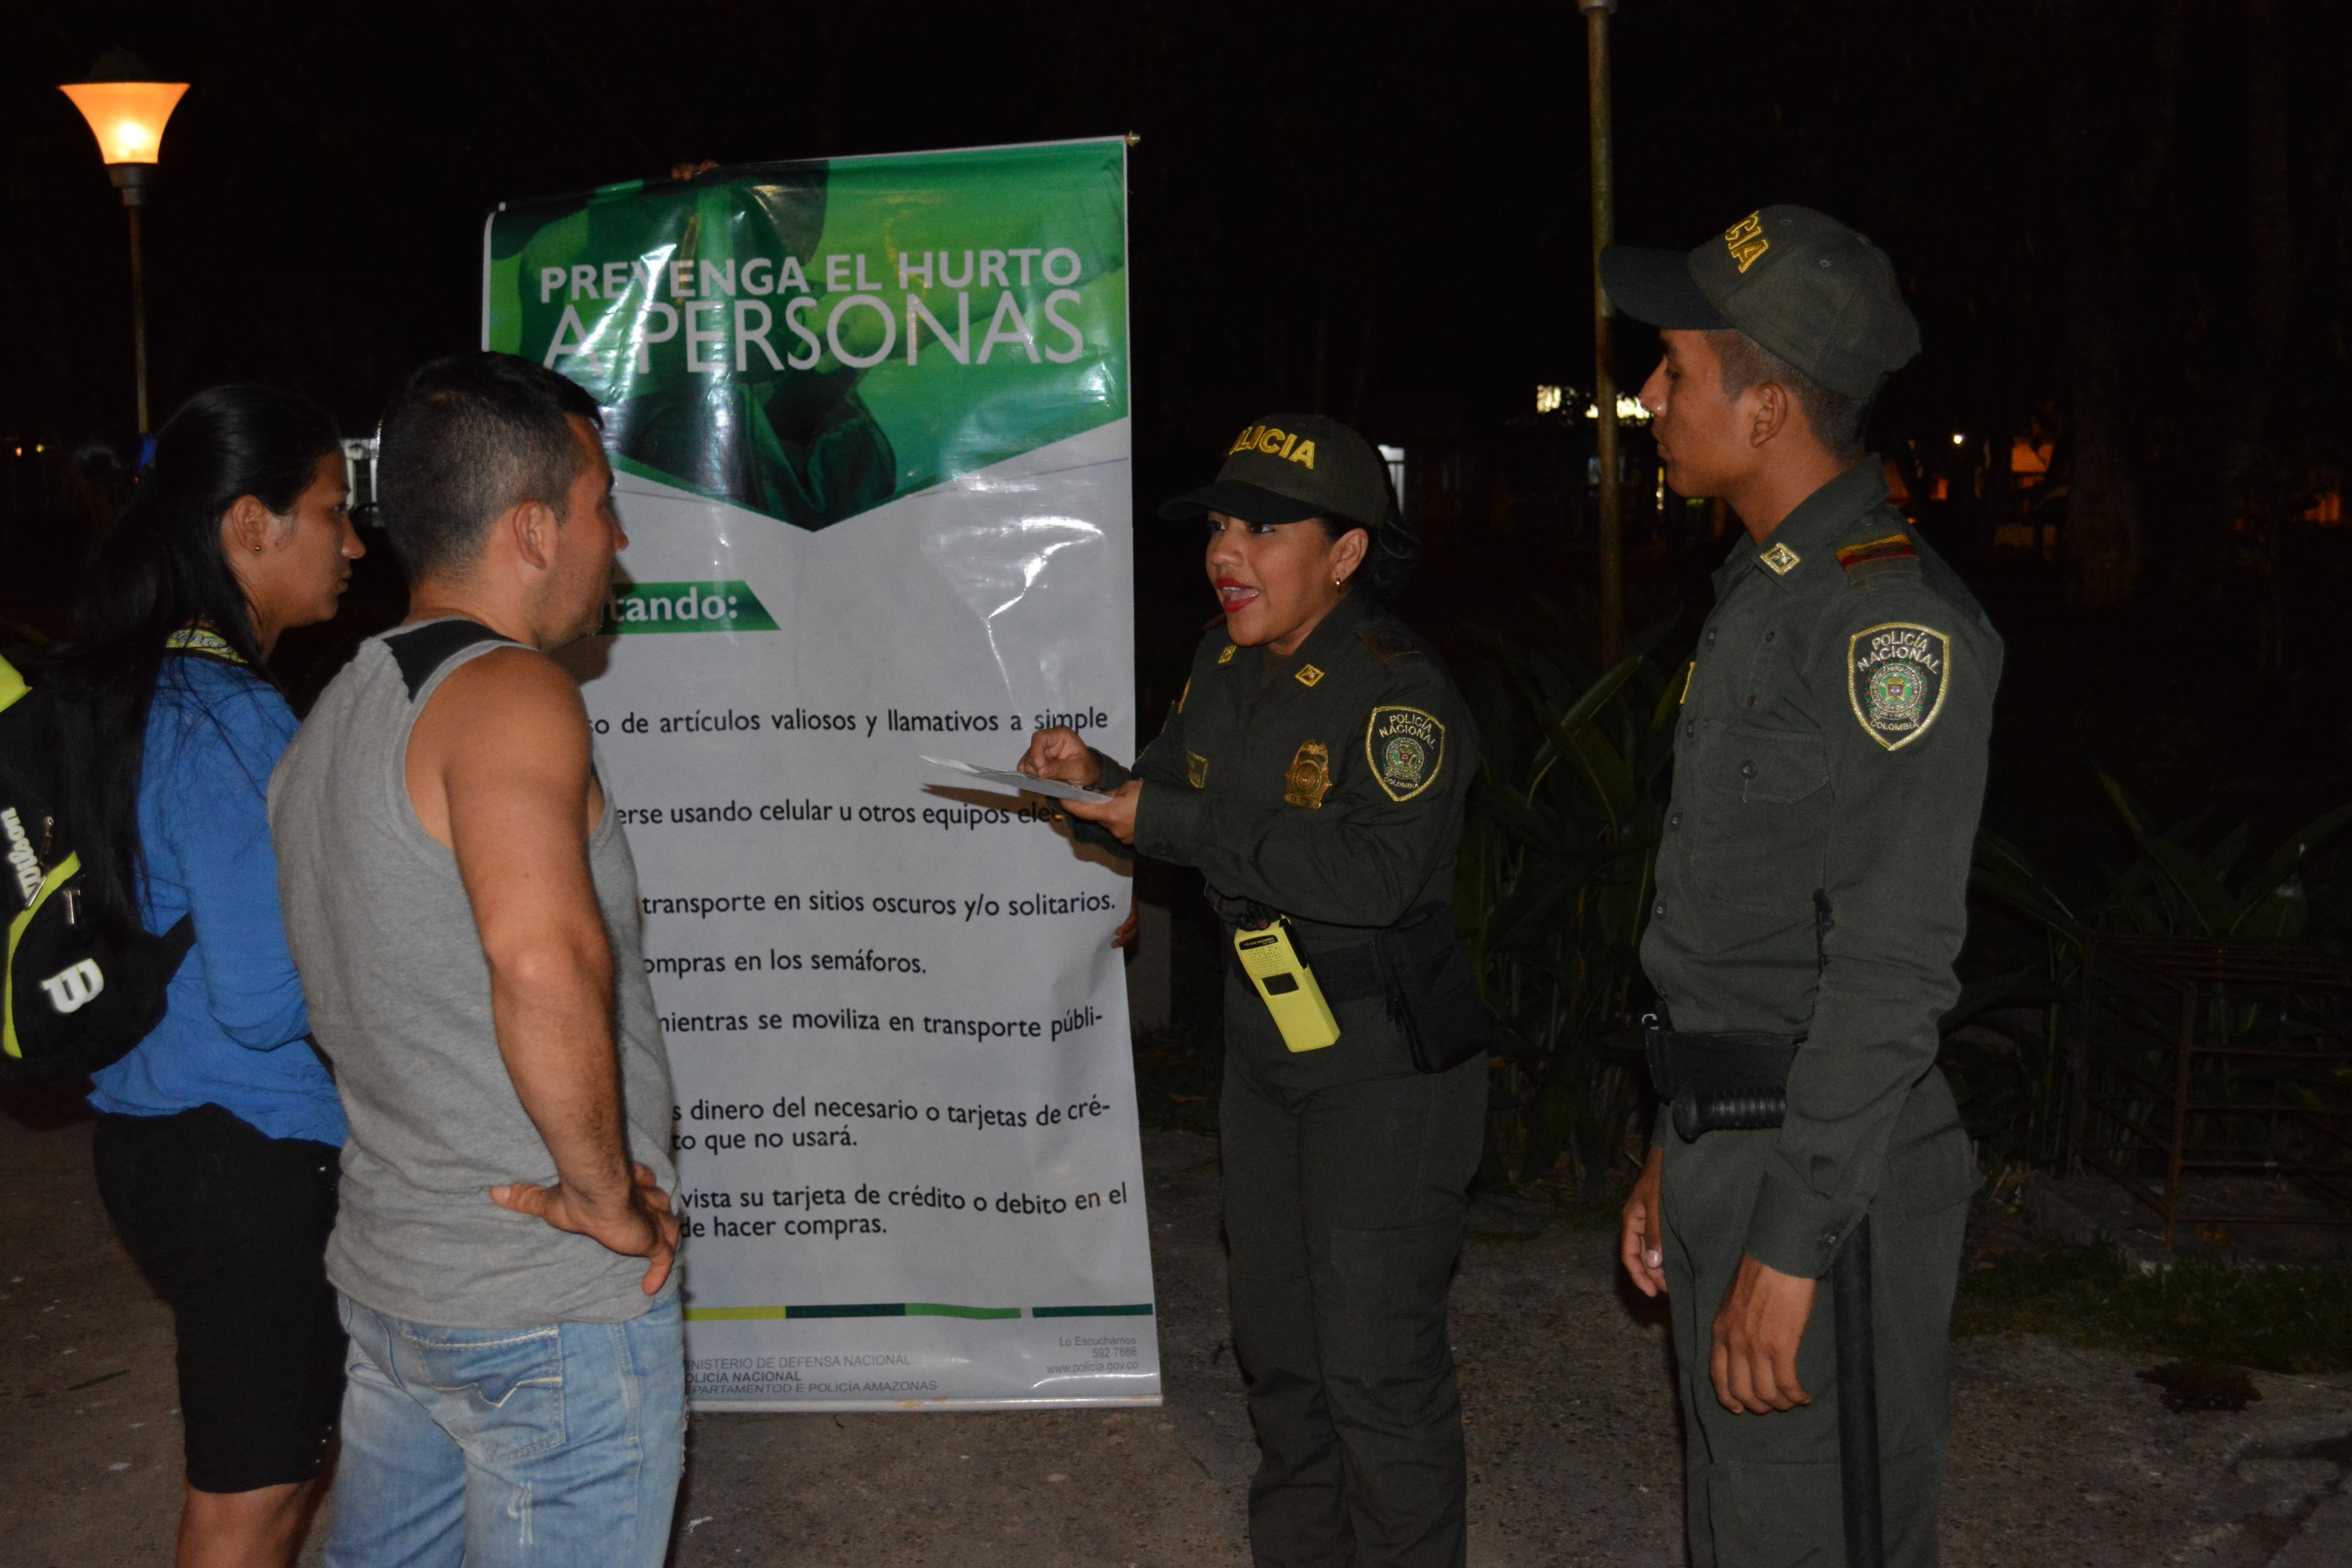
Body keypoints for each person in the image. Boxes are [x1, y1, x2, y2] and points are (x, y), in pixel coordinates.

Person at [1603, 206, 2002, 1566]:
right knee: (1745, 1517)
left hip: (1831, 1168)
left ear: (1768, 407)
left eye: (1674, 368)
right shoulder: (1768, 595)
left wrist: (1791, 1241)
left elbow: (1889, 971)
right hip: (1741, 1134)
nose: (1648, 395)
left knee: (1812, 1532)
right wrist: (1680, 1136)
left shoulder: (1890, 626)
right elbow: (1745, 936)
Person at [1020, 414, 1485, 1568]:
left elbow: (1374, 875)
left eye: (1265, 528)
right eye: (1221, 524)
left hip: (1381, 1058)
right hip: (1269, 1041)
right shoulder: (1225, 662)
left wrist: (1164, 816)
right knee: (1278, 1348)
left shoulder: (1398, 696)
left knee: (1376, 1367)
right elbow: (1175, 796)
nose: (1228, 551)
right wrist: (1100, 783)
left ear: (1345, 555)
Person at [268, 352, 684, 1567]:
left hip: (402, 1287)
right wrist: (605, 1197)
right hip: (540, 1309)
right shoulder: (508, 694)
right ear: (532, 529)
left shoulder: (338, 708)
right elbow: (543, 963)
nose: (619, 538)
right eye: (604, 503)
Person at [49, 387, 364, 1568]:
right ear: (248, 525)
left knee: (270, 1482)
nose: (352, 542)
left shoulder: (120, 690)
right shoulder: (227, 717)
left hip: (150, 1137)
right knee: (248, 1506)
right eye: (329, 512)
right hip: (248, 1155)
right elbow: (271, 997)